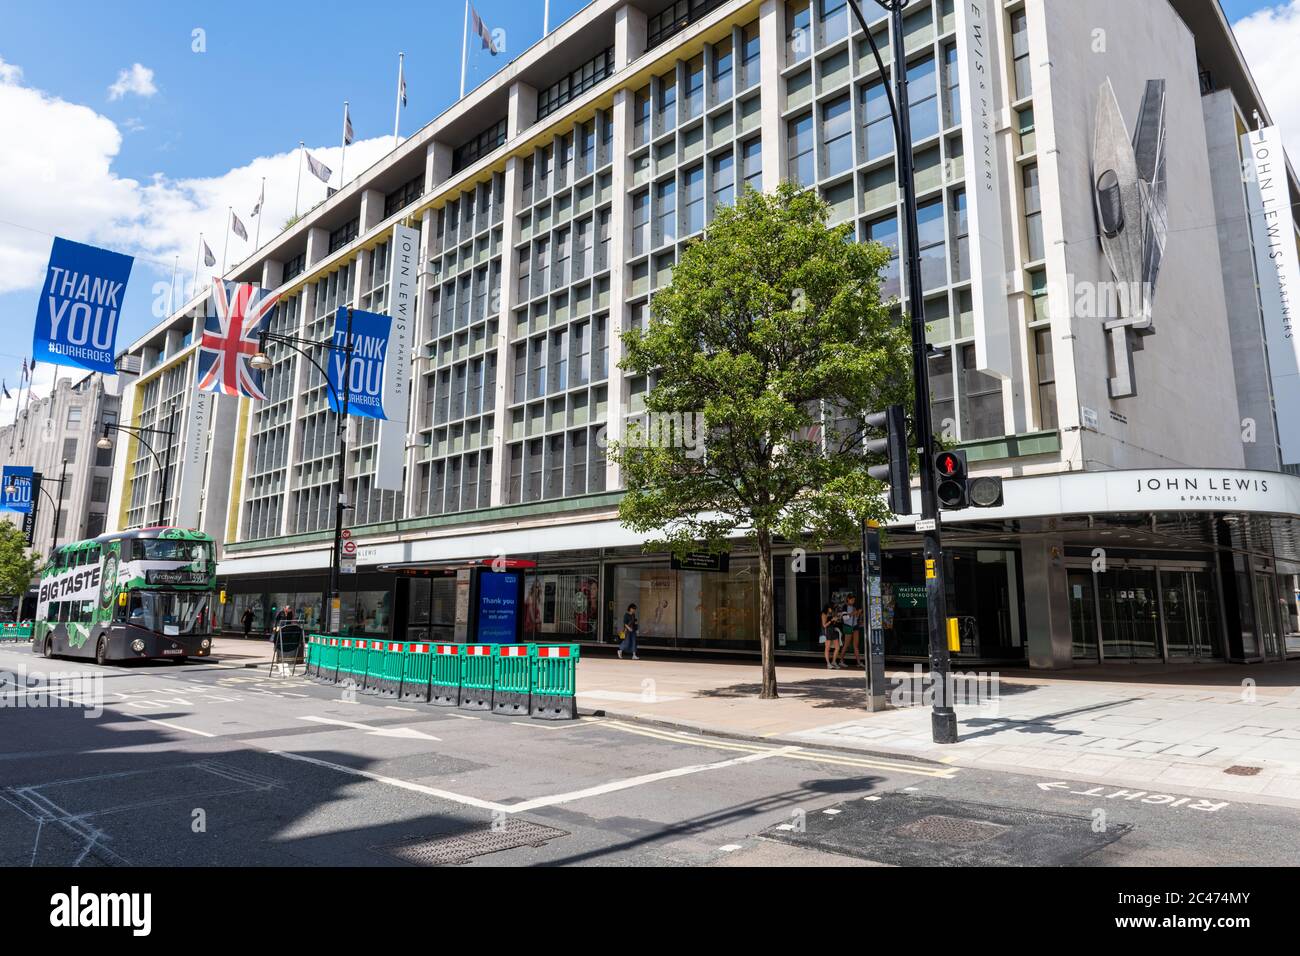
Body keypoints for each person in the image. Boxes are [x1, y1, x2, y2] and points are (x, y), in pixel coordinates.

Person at [838, 594, 863, 668]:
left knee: (856, 645)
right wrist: (853, 613)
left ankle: (858, 662)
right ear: (848, 599)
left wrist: (858, 613)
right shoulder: (845, 607)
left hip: (855, 626)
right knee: (846, 644)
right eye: (851, 600)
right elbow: (845, 618)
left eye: (854, 600)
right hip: (848, 627)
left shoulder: (854, 607)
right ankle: (841, 661)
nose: (853, 601)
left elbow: (856, 617)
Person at [821, 603, 842, 670]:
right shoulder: (824, 614)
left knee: (837, 647)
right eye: (831, 608)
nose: (831, 610)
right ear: (827, 608)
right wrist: (831, 620)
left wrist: (836, 620)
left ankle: (833, 661)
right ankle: (828, 663)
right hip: (827, 631)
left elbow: (834, 622)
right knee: (827, 647)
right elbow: (824, 625)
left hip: (833, 629)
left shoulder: (832, 613)